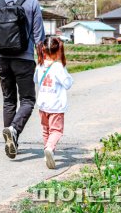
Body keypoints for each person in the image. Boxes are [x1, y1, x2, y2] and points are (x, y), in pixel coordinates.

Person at [0, 0, 45, 160]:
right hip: (24, 58)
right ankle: (14, 130)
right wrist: (42, 58)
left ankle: (11, 140)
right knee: (28, 100)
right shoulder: (32, 3)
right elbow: (39, 35)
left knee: (8, 100)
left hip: (2, 58)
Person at [34, 36, 73, 169]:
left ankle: (47, 152)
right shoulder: (58, 67)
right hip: (56, 106)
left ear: (43, 51)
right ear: (58, 52)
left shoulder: (39, 65)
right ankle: (50, 148)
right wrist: (65, 71)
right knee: (56, 131)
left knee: (46, 130)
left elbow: (35, 80)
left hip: (42, 105)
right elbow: (67, 84)